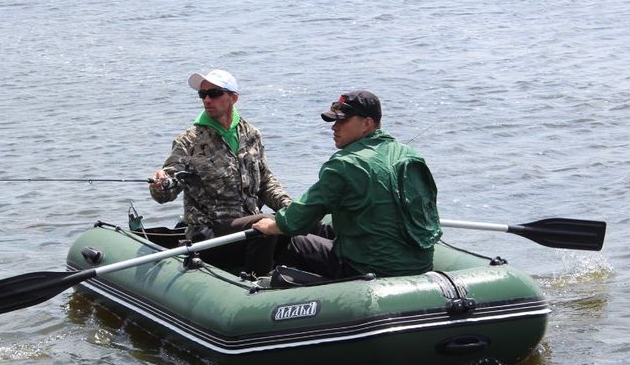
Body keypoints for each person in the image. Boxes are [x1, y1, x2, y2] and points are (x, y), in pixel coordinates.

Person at [253, 90, 442, 278]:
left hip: (370, 268)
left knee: (293, 242)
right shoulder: (411, 154)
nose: (334, 127)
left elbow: (296, 220)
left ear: (367, 123)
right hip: (421, 265)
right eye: (334, 121)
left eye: (342, 120)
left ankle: (263, 291)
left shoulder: (345, 163)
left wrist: (271, 227)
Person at [150, 69, 291, 276]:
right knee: (263, 224)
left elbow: (265, 181)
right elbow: (166, 191)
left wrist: (292, 209)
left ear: (233, 98)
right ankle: (257, 284)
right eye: (202, 94)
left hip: (248, 227)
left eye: (214, 93)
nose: (207, 99)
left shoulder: (251, 134)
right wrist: (161, 183)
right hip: (209, 236)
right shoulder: (189, 141)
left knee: (288, 221)